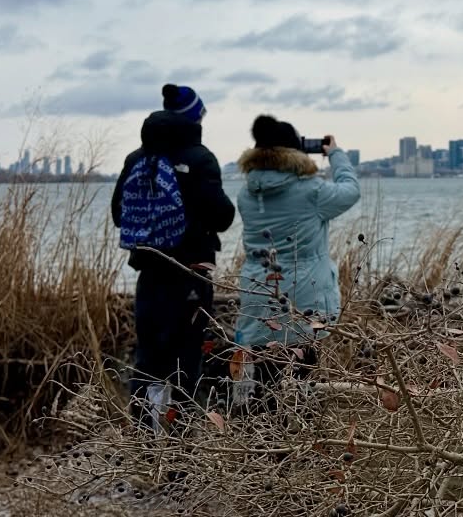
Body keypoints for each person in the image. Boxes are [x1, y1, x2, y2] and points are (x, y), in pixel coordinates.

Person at [111, 84, 235, 428]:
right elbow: (222, 216)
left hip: (149, 275)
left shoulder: (138, 158)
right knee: (186, 359)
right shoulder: (199, 158)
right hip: (190, 275)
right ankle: (179, 443)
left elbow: (119, 214)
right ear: (194, 119)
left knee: (148, 356)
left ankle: (144, 436)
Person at [234, 115, 361, 405]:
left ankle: (262, 441)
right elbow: (351, 191)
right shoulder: (311, 191)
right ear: (294, 153)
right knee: (299, 380)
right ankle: (298, 442)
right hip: (302, 301)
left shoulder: (247, 193)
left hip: (258, 291)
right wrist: (336, 155)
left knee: (261, 378)